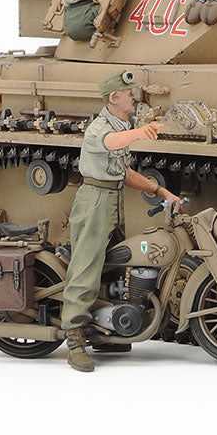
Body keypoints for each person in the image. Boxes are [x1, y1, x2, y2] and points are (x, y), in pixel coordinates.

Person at [61, 70, 180, 372]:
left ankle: (104, 330)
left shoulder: (121, 125)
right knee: (86, 267)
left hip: (113, 198)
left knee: (114, 263)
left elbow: (123, 171)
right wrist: (140, 133)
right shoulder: (100, 128)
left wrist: (157, 189)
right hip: (95, 201)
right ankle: (74, 338)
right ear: (114, 97)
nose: (134, 97)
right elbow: (111, 143)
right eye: (129, 93)